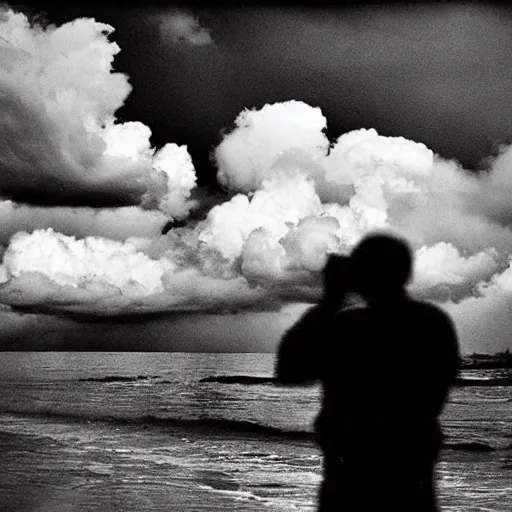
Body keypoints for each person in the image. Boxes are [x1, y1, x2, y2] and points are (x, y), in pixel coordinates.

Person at [276, 233, 460, 512]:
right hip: (410, 474)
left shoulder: (347, 327)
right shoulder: (432, 322)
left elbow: (290, 369)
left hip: (350, 476)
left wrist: (330, 301)